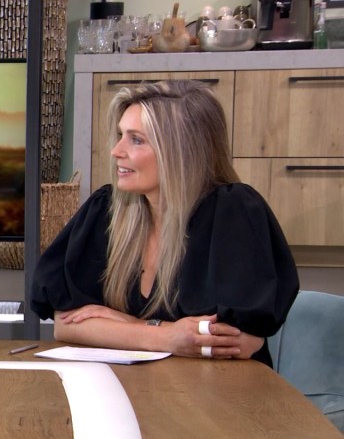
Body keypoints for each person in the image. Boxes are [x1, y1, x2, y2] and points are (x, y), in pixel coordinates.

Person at [30, 80, 298, 366]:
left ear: (181, 150)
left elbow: (233, 342)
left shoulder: (233, 211)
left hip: (220, 388)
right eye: (120, 135)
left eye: (136, 140)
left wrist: (126, 325)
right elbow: (67, 325)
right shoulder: (107, 209)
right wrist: (166, 334)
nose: (116, 151)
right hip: (135, 385)